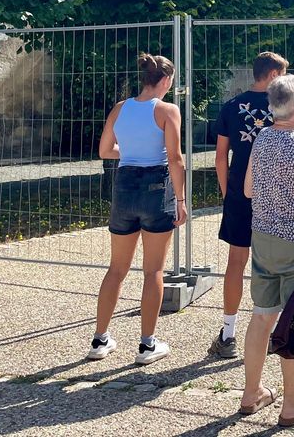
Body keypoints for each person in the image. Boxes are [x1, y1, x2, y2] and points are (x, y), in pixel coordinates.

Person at [237, 74, 294, 427]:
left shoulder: (262, 137)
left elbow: (247, 189)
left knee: (262, 315)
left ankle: (251, 393)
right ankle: (292, 406)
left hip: (263, 238)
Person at [88, 53, 187, 365]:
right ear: (166, 80)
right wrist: (181, 200)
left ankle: (99, 339)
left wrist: (129, 150)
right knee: (153, 270)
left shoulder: (120, 108)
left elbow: (105, 150)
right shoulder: (167, 111)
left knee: (116, 269)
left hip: (125, 186)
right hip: (156, 190)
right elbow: (175, 158)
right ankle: (147, 345)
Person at [208, 52, 289, 358]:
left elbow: (220, 157)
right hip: (276, 195)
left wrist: (228, 192)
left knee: (236, 262)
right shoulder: (283, 107)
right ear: (271, 75)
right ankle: (271, 334)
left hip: (240, 193)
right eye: (281, 75)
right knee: (273, 265)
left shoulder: (230, 106)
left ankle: (228, 334)